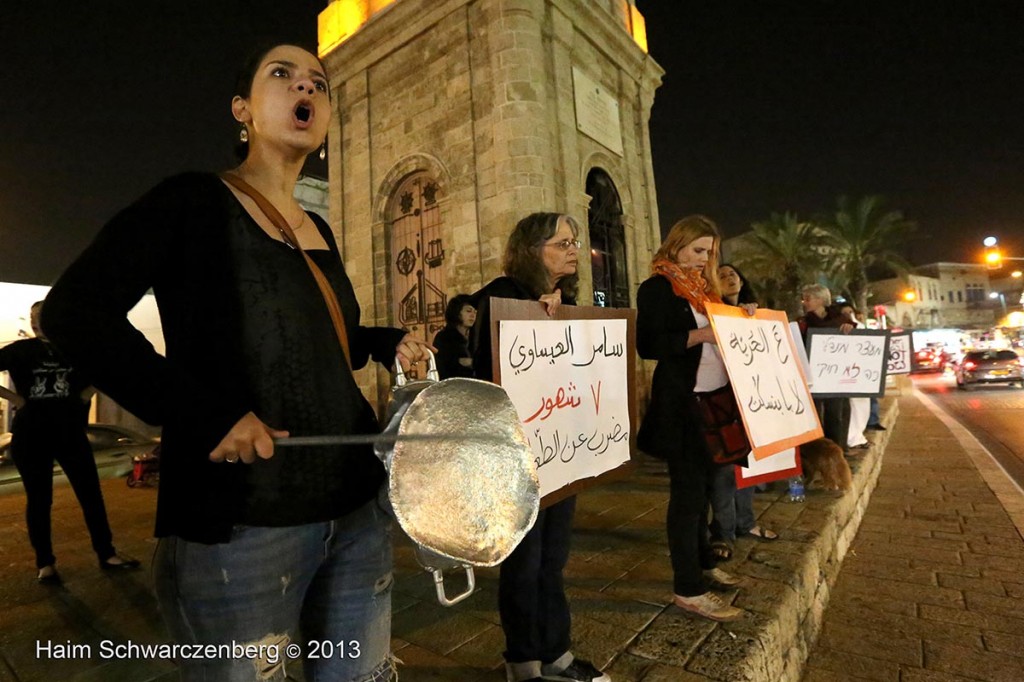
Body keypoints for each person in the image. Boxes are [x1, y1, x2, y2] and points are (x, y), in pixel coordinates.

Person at [42, 43, 432, 682]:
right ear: (242, 109)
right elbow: (76, 312)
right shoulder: (191, 201)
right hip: (243, 526)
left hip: (354, 512)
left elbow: (315, 335)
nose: (304, 88)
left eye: (318, 83)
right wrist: (201, 415)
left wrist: (384, 341)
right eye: (281, 75)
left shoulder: (319, 229)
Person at [471, 213, 609, 682]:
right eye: (562, 243)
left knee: (553, 560)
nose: (573, 250)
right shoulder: (500, 296)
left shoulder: (566, 302)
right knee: (524, 564)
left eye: (574, 242)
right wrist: (537, 320)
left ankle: (558, 655)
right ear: (532, 249)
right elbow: (490, 373)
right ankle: (524, 663)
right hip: (516, 457)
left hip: (561, 452)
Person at [636, 216, 747, 623]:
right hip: (684, 407)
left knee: (702, 492)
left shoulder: (706, 290)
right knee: (686, 498)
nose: (705, 259)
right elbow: (647, 344)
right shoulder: (657, 288)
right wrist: (700, 336)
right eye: (698, 250)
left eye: (710, 252)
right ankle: (689, 588)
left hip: (714, 404)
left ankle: (702, 564)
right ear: (678, 245)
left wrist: (742, 315)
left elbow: (726, 332)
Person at [0, 302, 139, 584]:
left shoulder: (77, 348)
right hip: (32, 436)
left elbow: (112, 367)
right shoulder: (19, 350)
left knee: (90, 496)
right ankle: (45, 564)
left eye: (41, 317)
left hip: (71, 433)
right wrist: (15, 400)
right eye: (32, 317)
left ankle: (107, 554)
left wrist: (90, 391)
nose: (35, 322)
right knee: (40, 500)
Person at [707, 265, 777, 562]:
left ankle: (745, 522)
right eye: (721, 275)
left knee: (749, 467)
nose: (730, 277)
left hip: (753, 401)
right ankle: (723, 533)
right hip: (722, 404)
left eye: (734, 273)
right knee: (724, 470)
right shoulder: (711, 313)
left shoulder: (755, 315)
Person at [797, 285, 856, 453]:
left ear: (821, 300)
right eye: (803, 298)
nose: (804, 302)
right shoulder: (802, 323)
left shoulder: (841, 320)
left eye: (808, 298)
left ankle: (838, 453)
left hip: (836, 379)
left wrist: (850, 331)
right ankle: (817, 456)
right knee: (813, 418)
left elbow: (856, 345)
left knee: (836, 416)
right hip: (812, 379)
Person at [432, 294, 476, 379]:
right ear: (457, 312)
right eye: (468, 311)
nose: (473, 315)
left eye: (475, 312)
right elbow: (440, 367)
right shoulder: (444, 338)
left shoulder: (475, 337)